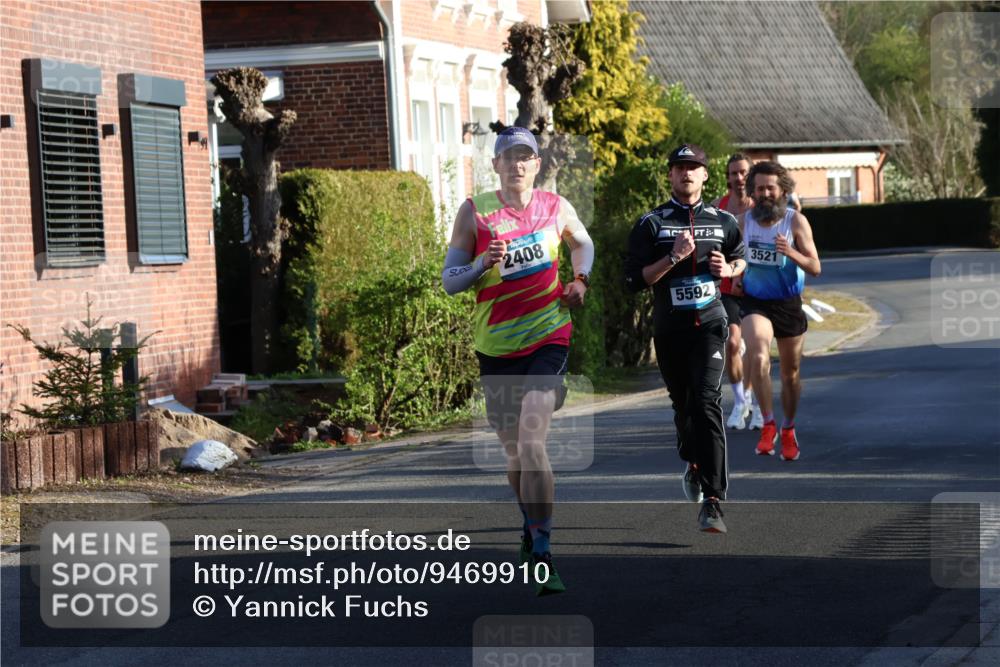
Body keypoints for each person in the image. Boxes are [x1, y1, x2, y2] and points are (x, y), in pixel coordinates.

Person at [441, 126, 594, 595]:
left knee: (532, 440)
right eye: (508, 157)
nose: (517, 164)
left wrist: (580, 280)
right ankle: (530, 527)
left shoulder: (555, 206)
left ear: (536, 164)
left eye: (525, 156)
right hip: (496, 347)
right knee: (514, 455)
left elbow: (582, 243)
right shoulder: (474, 212)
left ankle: (543, 550)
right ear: (496, 166)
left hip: (548, 336)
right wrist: (483, 262)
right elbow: (450, 280)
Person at [625, 144, 745, 533]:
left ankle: (713, 501)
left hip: (711, 324)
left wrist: (728, 268)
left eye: (694, 167)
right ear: (671, 176)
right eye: (679, 168)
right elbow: (633, 279)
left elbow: (741, 257)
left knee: (708, 402)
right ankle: (692, 462)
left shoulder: (723, 220)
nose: (687, 174)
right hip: (671, 329)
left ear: (705, 175)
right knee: (684, 406)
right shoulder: (652, 224)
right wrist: (673, 258)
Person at [739, 161, 821, 461]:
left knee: (790, 375)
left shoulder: (795, 222)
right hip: (755, 302)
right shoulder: (742, 222)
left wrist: (791, 252)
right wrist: (734, 274)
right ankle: (768, 424)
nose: (764, 194)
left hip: (788, 303)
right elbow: (734, 259)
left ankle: (788, 428)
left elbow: (815, 267)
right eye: (759, 188)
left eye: (770, 188)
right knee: (759, 354)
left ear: (782, 190)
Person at [712, 154, 755, 430]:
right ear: (727, 177)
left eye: (743, 173)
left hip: (756, 288)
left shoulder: (761, 206)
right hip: (727, 287)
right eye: (733, 173)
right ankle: (740, 402)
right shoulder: (719, 207)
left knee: (755, 346)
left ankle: (753, 397)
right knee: (732, 343)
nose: (738, 178)